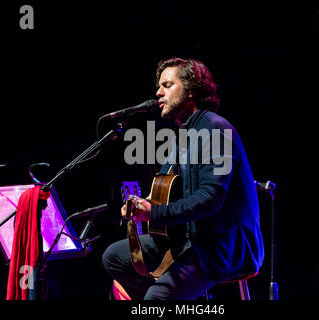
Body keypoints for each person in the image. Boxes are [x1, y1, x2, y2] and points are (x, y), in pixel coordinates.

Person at [102, 57, 264, 300]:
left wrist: (153, 213)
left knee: (157, 298)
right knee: (114, 257)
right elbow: (162, 190)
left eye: (167, 85)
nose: (158, 92)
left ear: (191, 90)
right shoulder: (183, 138)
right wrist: (142, 204)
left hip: (218, 246)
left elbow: (210, 199)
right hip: (186, 240)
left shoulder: (215, 129)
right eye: (159, 86)